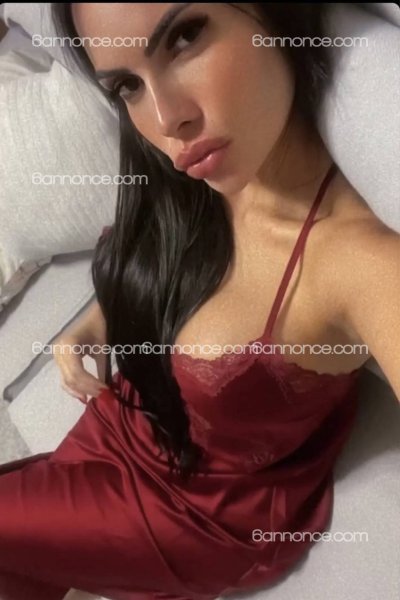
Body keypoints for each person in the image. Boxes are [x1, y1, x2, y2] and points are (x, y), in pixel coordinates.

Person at [0, 4, 399, 600]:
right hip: (121, 420)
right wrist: (96, 319)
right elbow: (167, 259)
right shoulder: (200, 172)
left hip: (194, 513)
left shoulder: (358, 262)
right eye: (127, 86)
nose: (168, 120)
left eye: (185, 37)